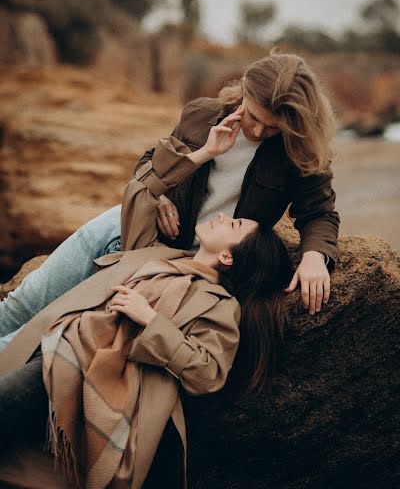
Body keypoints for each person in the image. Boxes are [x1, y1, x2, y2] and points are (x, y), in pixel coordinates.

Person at [0, 118, 293, 489]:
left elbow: (207, 372)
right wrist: (204, 153)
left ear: (229, 259)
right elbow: (141, 191)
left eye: (233, 226)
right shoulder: (160, 253)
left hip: (74, 365)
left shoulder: (219, 304)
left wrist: (150, 319)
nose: (222, 216)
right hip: (50, 338)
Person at [0, 51, 339, 354]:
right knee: (24, 303)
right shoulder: (200, 115)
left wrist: (314, 256)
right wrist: (161, 194)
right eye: (253, 116)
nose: (257, 129)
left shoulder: (299, 151)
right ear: (245, 93)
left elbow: (320, 212)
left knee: (48, 334)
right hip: (129, 229)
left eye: (271, 127)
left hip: (183, 268)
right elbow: (149, 162)